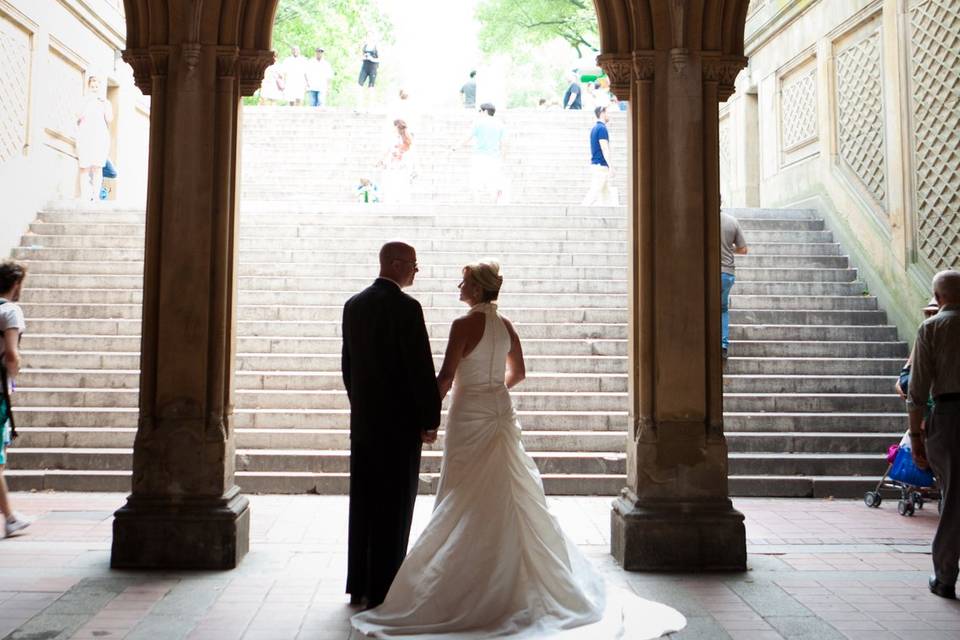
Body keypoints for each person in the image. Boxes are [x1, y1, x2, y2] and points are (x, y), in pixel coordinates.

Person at [352, 260, 686, 638]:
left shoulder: (463, 326)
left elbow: (445, 376)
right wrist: (494, 390)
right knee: (504, 488)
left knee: (463, 490)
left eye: (463, 283)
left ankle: (469, 580)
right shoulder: (506, 326)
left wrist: (426, 417)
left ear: (477, 290)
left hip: (470, 415)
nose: (457, 287)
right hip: (498, 410)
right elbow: (519, 373)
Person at [342, 242, 441, 608]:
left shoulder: (353, 305)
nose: (417, 271)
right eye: (414, 264)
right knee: (395, 505)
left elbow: (348, 369)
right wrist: (430, 418)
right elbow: (419, 368)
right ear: (396, 264)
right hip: (399, 428)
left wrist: (363, 408)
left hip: (366, 424)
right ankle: (385, 585)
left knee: (365, 504)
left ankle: (359, 583)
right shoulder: (407, 308)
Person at [907, 269, 960, 600]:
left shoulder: (932, 328)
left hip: (949, 417)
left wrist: (915, 435)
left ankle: (944, 576)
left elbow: (917, 387)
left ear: (938, 298)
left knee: (953, 498)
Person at [0, 262, 31, 538]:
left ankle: (10, 516)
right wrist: (12, 380)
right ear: (16, 284)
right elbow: (11, 354)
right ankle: (10, 517)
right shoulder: (10, 311)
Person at [453, 103, 506, 204]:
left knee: (475, 181)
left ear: (485, 111)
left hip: (479, 156)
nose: (479, 113)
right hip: (494, 158)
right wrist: (502, 159)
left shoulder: (478, 123)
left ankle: (477, 204)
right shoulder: (500, 125)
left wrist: (456, 147)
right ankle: (493, 205)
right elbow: (504, 144)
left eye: (480, 111)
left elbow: (467, 137)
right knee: (493, 182)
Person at [76, 76, 113, 203]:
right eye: (92, 86)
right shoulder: (83, 101)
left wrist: (104, 104)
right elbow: (77, 115)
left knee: (98, 167)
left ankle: (96, 196)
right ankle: (85, 196)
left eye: (97, 87)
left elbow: (109, 119)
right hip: (85, 136)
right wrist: (86, 101)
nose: (94, 89)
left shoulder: (105, 102)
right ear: (88, 86)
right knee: (84, 167)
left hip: (100, 137)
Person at [720, 211, 748, 360]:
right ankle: (723, 346)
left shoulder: (699, 221)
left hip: (706, 273)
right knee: (722, 308)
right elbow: (743, 249)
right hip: (727, 274)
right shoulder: (732, 221)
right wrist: (729, 248)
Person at [581, 106, 617, 206]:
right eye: (608, 112)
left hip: (597, 165)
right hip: (600, 166)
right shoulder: (601, 128)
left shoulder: (595, 128)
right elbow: (605, 148)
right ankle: (580, 211)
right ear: (602, 113)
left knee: (606, 195)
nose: (610, 115)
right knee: (594, 193)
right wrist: (611, 166)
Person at [378, 119, 416, 204]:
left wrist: (400, 154)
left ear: (397, 127)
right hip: (393, 163)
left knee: (400, 182)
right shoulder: (393, 137)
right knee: (392, 182)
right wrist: (382, 160)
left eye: (394, 127)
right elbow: (388, 150)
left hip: (402, 164)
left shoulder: (407, 139)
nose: (393, 128)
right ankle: (393, 200)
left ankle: (400, 200)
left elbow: (409, 153)